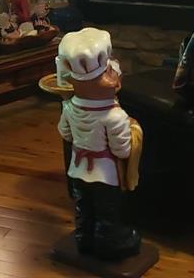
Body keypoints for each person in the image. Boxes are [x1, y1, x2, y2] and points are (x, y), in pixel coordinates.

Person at [56, 28, 142, 262]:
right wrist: (133, 132)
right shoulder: (114, 116)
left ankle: (84, 239)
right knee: (108, 212)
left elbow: (64, 133)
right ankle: (109, 244)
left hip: (77, 169)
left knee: (84, 207)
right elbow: (121, 150)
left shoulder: (70, 107)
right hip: (105, 175)